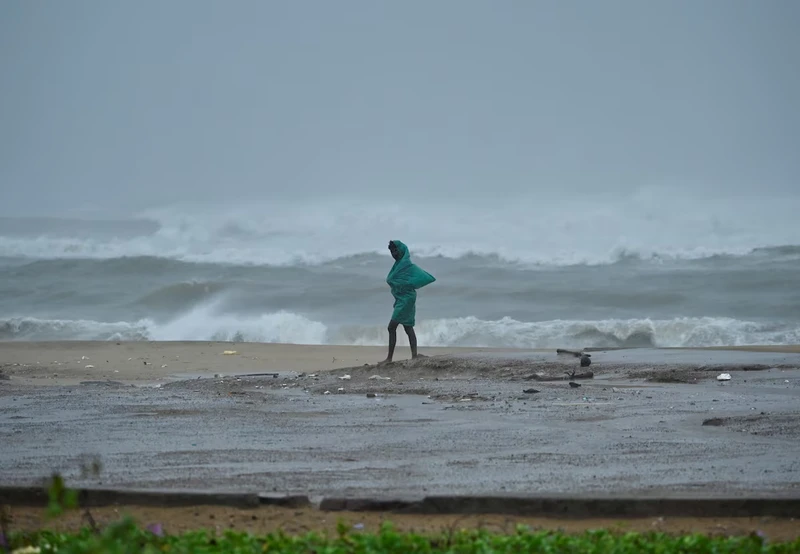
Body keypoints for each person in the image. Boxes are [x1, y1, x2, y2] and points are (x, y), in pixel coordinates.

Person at [380, 240, 436, 364]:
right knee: (408, 327)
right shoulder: (397, 265)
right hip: (401, 299)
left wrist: (407, 285)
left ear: (402, 250)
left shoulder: (408, 266)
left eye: (396, 250)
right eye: (391, 251)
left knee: (391, 327)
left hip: (406, 300)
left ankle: (389, 359)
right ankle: (414, 355)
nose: (393, 253)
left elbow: (425, 277)